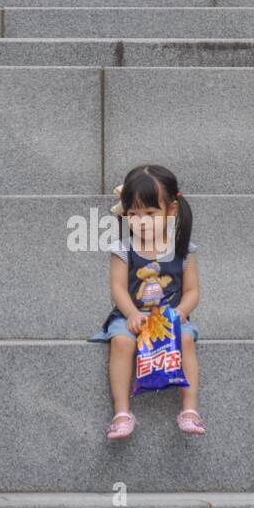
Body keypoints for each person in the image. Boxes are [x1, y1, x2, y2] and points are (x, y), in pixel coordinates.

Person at [87, 164, 205, 439]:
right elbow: (118, 287)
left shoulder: (184, 249)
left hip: (170, 317)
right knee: (122, 342)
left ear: (171, 211)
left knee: (185, 339)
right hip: (130, 316)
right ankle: (122, 412)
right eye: (134, 214)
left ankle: (189, 409)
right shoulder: (123, 249)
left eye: (151, 213)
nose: (142, 221)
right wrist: (130, 314)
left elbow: (192, 291)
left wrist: (180, 312)